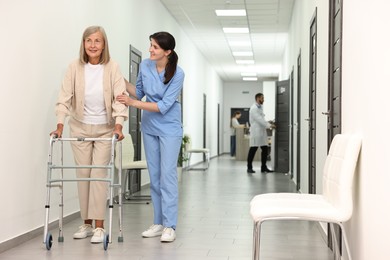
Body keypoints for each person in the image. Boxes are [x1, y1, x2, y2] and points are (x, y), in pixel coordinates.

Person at [50, 26, 128, 244]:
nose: (93, 45)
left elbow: (119, 98)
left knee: (98, 175)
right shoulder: (74, 67)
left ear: (104, 45)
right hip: (80, 127)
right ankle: (86, 223)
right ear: (83, 44)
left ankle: (100, 227)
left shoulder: (113, 67)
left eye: (97, 41)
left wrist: (119, 125)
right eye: (89, 41)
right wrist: (59, 125)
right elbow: (64, 98)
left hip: (105, 128)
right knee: (83, 175)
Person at [116, 31, 184, 242]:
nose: (150, 50)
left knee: (167, 176)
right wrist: (120, 79)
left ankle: (170, 225)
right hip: (149, 127)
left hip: (170, 128)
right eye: (150, 45)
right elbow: (138, 91)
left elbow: (163, 106)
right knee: (154, 176)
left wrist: (134, 104)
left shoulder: (178, 73)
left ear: (167, 51)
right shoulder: (145, 65)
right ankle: (158, 222)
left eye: (154, 47)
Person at [247, 93, 275, 173]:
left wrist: (269, 122)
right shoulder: (254, 108)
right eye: (262, 98)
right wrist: (270, 125)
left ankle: (263, 167)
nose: (263, 100)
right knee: (253, 149)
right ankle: (249, 168)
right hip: (256, 132)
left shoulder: (259, 107)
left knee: (265, 149)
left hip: (261, 132)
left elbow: (262, 118)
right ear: (258, 98)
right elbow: (259, 120)